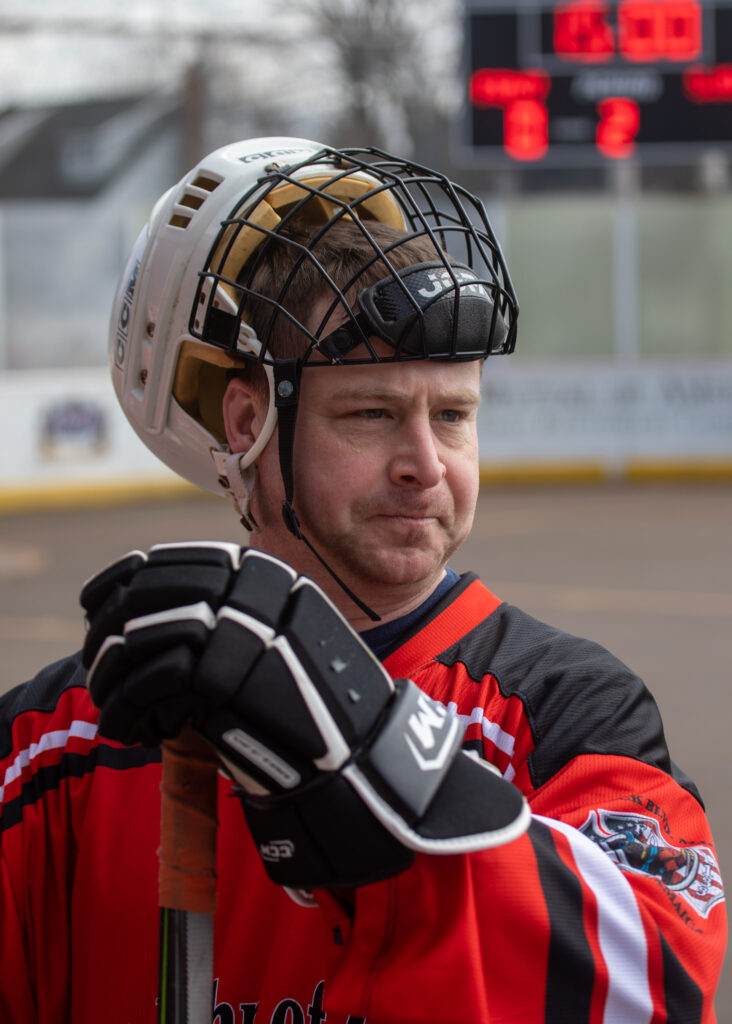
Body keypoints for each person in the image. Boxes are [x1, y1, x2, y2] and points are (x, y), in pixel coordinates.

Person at [0, 137, 725, 1023]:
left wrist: (377, 761)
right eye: (372, 413)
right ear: (247, 422)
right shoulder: (64, 739)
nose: (427, 464)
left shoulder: (565, 711)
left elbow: (654, 983)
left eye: (452, 416)